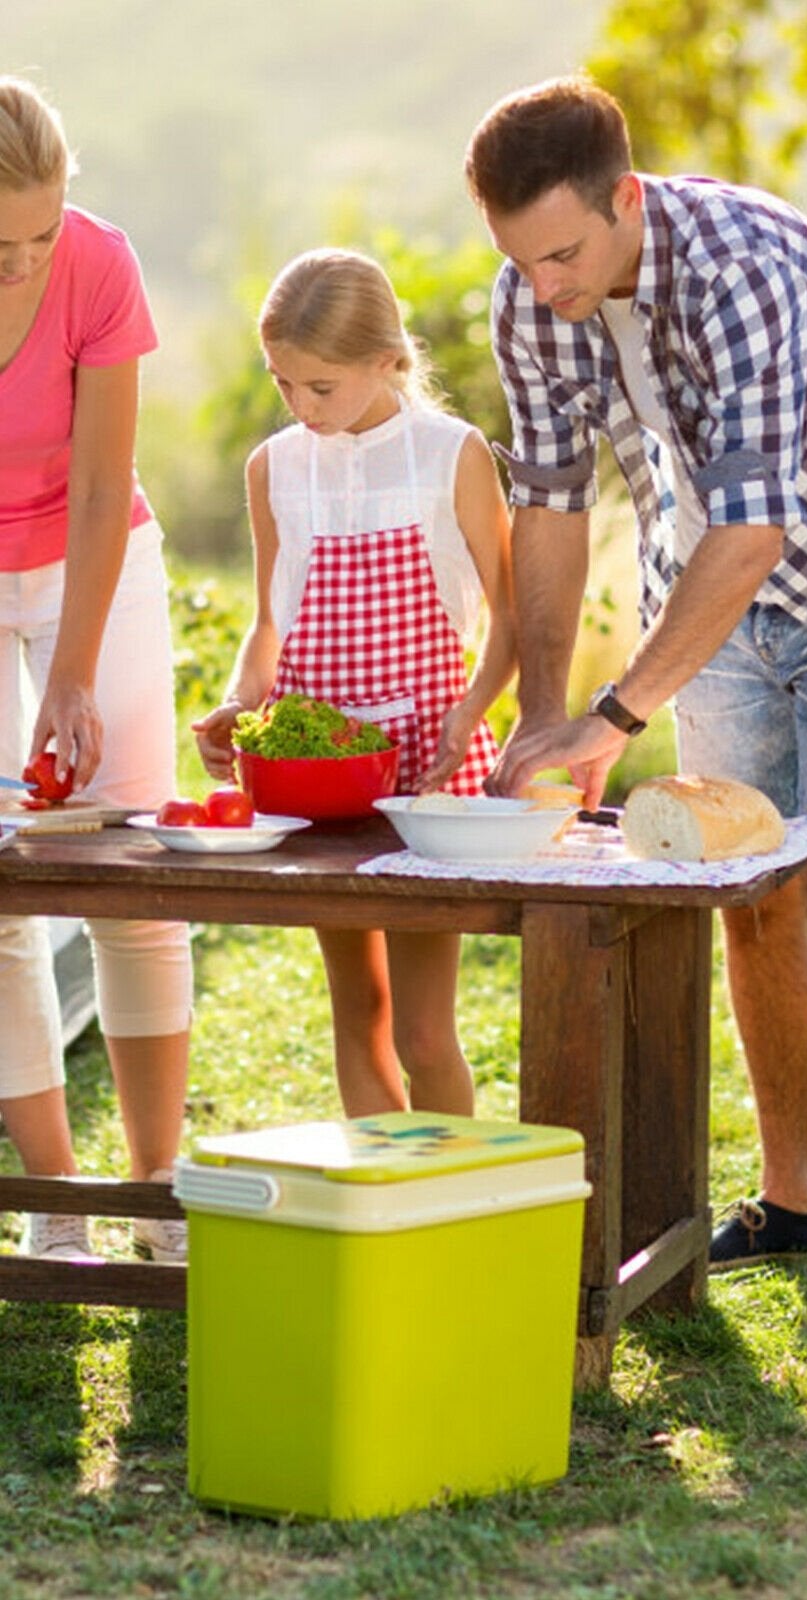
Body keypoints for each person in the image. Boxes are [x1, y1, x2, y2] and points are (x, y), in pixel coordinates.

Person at [464, 77, 807, 1312]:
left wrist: (616, 714)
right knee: (745, 892)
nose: (544, 287)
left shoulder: (742, 269)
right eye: (521, 262)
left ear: (627, 199)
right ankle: (792, 1199)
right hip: (704, 606)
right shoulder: (534, 297)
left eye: (564, 254)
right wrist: (543, 711)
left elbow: (754, 532)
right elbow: (546, 505)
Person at [193, 249, 516, 1119]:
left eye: (320, 387)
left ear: (387, 360)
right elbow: (271, 624)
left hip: (425, 779)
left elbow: (510, 621)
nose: (301, 407)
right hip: (317, 786)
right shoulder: (274, 467)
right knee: (357, 1013)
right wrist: (238, 705)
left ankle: (450, 1201)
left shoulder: (451, 456)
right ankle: (385, 1212)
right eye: (283, 383)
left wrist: (470, 714)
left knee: (422, 1032)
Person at [0, 77, 192, 1263]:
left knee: (134, 867)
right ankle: (56, 1203)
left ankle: (157, 1191)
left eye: (38, 235)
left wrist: (68, 674)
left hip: (94, 552)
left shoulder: (99, 261)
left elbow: (102, 479)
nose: (23, 265)